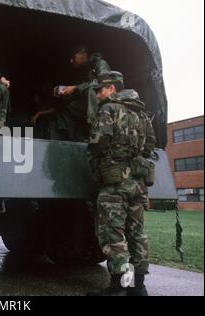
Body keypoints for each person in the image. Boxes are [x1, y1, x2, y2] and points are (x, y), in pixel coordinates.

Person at [87, 71, 156, 296]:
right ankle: (139, 287)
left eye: (101, 90)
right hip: (138, 183)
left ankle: (119, 287)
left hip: (115, 182)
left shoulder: (109, 109)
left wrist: (97, 160)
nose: (98, 95)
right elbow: (149, 148)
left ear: (112, 88)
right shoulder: (142, 115)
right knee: (137, 232)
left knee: (113, 233)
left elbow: (97, 142)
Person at [51, 45, 111, 141]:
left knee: (91, 90)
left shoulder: (100, 63)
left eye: (73, 59)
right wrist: (64, 92)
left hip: (104, 101)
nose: (72, 62)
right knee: (68, 107)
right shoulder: (87, 70)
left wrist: (75, 88)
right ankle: (72, 139)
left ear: (81, 55)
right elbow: (82, 89)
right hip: (92, 101)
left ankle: (96, 131)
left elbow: (102, 82)